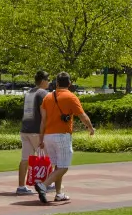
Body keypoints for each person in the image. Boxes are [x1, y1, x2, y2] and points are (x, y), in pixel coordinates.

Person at [37, 72, 94, 204]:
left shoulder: (48, 97)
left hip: (48, 136)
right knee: (64, 167)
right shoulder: (71, 97)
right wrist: (90, 128)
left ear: (56, 83)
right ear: (69, 84)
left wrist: (41, 139)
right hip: (62, 135)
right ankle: (43, 185)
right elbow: (82, 116)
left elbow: (43, 121)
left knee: (57, 166)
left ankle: (59, 194)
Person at [16, 71, 50, 196]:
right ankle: (46, 183)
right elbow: (44, 114)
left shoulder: (29, 93)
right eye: (48, 79)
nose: (49, 82)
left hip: (25, 130)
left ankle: (21, 186)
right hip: (36, 130)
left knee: (25, 159)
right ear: (43, 81)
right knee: (45, 157)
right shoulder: (43, 93)